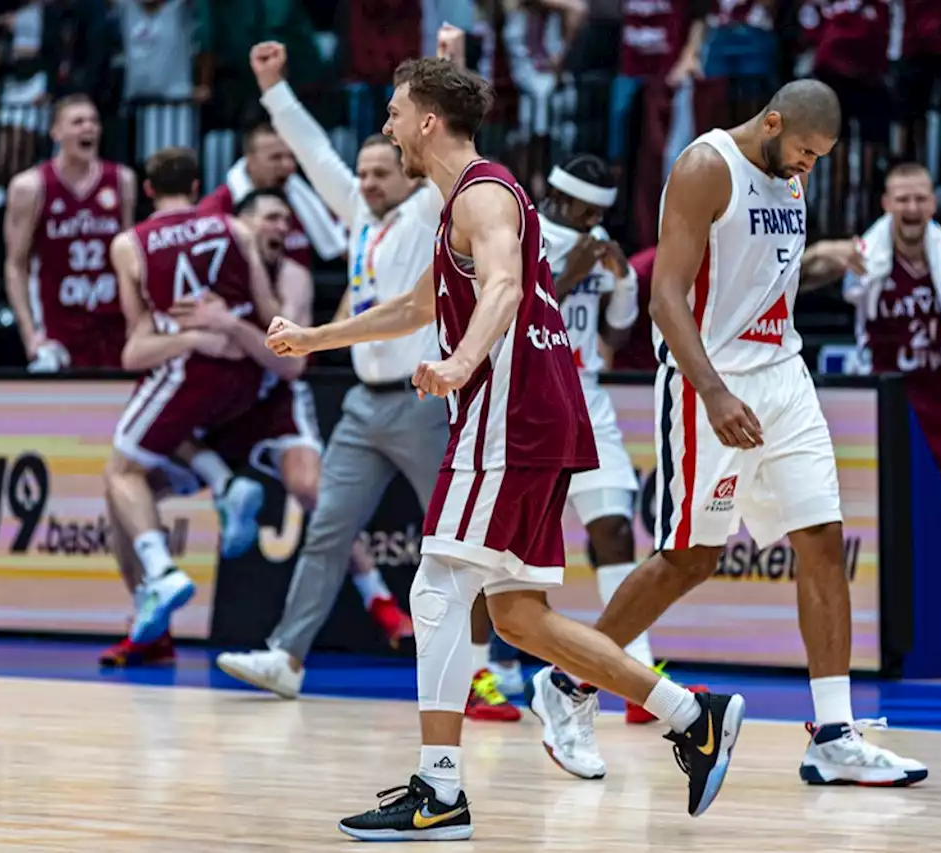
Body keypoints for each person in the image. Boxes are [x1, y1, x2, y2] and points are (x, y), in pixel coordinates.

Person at [266, 43, 746, 841]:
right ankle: (693, 715)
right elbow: (417, 304)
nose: (386, 127)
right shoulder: (468, 201)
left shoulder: (484, 197)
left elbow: (503, 289)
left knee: (434, 590)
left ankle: (440, 788)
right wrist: (317, 336)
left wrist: (459, 363)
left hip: (509, 413)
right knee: (519, 617)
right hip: (535, 415)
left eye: (393, 115)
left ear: (426, 120)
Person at [531, 79, 930, 788]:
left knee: (822, 538)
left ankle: (834, 734)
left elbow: (757, 278)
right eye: (805, 152)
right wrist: (712, 391)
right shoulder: (705, 167)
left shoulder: (788, 174)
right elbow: (665, 297)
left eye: (820, 158)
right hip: (706, 380)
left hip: (784, 374)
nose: (810, 168)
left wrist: (823, 260)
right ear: (773, 122)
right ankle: (567, 683)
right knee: (690, 558)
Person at [213, 40, 478, 703]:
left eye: (379, 171)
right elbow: (311, 152)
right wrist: (273, 87)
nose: (364, 181)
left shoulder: (427, 210)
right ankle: (286, 657)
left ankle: (487, 667)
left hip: (423, 402)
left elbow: (454, 142)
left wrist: (449, 70)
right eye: (359, 172)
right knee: (328, 529)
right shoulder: (361, 211)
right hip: (364, 402)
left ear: (410, 173)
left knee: (458, 539)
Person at [484, 152, 672, 731]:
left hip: (587, 396)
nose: (589, 220)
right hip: (528, 402)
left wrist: (620, 281)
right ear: (558, 199)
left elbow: (615, 334)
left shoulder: (600, 244)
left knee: (615, 531)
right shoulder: (523, 236)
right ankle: (483, 669)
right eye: (581, 209)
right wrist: (569, 271)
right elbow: (510, 312)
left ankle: (634, 674)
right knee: (499, 552)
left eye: (597, 211)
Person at [103, 146, 283, 645]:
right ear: (199, 186)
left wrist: (190, 338)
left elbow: (136, 342)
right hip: (247, 377)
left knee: (120, 470)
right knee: (153, 448)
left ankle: (160, 573)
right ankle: (223, 483)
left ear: (147, 191)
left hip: (188, 372)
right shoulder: (234, 228)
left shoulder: (130, 244)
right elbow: (269, 312)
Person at [844, 162, 941, 520]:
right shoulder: (862, 255)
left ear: (933, 204)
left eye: (920, 199)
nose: (912, 209)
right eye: (903, 200)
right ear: (886, 203)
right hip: (888, 399)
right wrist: (829, 253)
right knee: (886, 513)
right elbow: (806, 270)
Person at [3, 94, 138, 370]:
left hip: (111, 324)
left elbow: (129, 259)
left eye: (93, 121)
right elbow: (16, 265)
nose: (88, 128)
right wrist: (30, 334)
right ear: (56, 132)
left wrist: (137, 323)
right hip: (58, 326)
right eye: (78, 122)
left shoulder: (122, 180)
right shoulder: (30, 187)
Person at [197, 123, 347, 268]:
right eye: (276, 158)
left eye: (292, 157)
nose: (288, 166)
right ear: (251, 160)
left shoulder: (309, 201)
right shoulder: (216, 207)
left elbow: (344, 249)